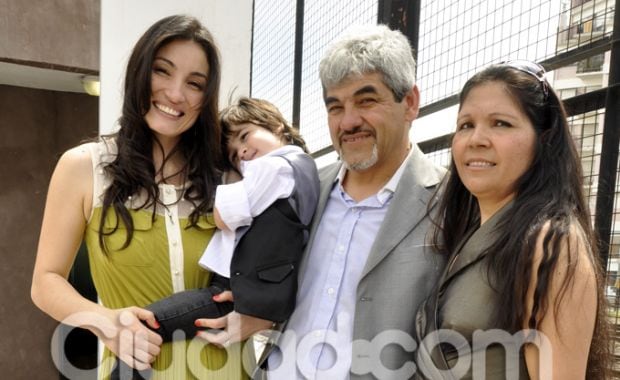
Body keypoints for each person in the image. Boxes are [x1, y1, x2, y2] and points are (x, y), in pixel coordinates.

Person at [196, 24, 447, 379]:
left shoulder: (451, 202)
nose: (348, 121)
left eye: (366, 100)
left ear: (409, 102)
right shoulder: (307, 188)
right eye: (335, 106)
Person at [30, 15, 246, 379]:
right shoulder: (85, 167)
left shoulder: (228, 178)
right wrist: (106, 322)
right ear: (139, 72)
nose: (175, 94)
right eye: (162, 71)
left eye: (194, 84)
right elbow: (46, 282)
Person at [414, 60, 611, 379]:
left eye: (501, 123)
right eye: (465, 125)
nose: (476, 138)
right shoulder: (469, 235)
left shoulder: (551, 243)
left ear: (544, 139)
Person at [143, 97, 319, 342]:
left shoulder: (274, 167)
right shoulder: (305, 169)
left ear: (276, 125)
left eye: (245, 136)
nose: (243, 152)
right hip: (248, 291)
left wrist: (234, 176)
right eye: (234, 155)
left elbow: (222, 216)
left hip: (233, 291)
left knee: (146, 323)